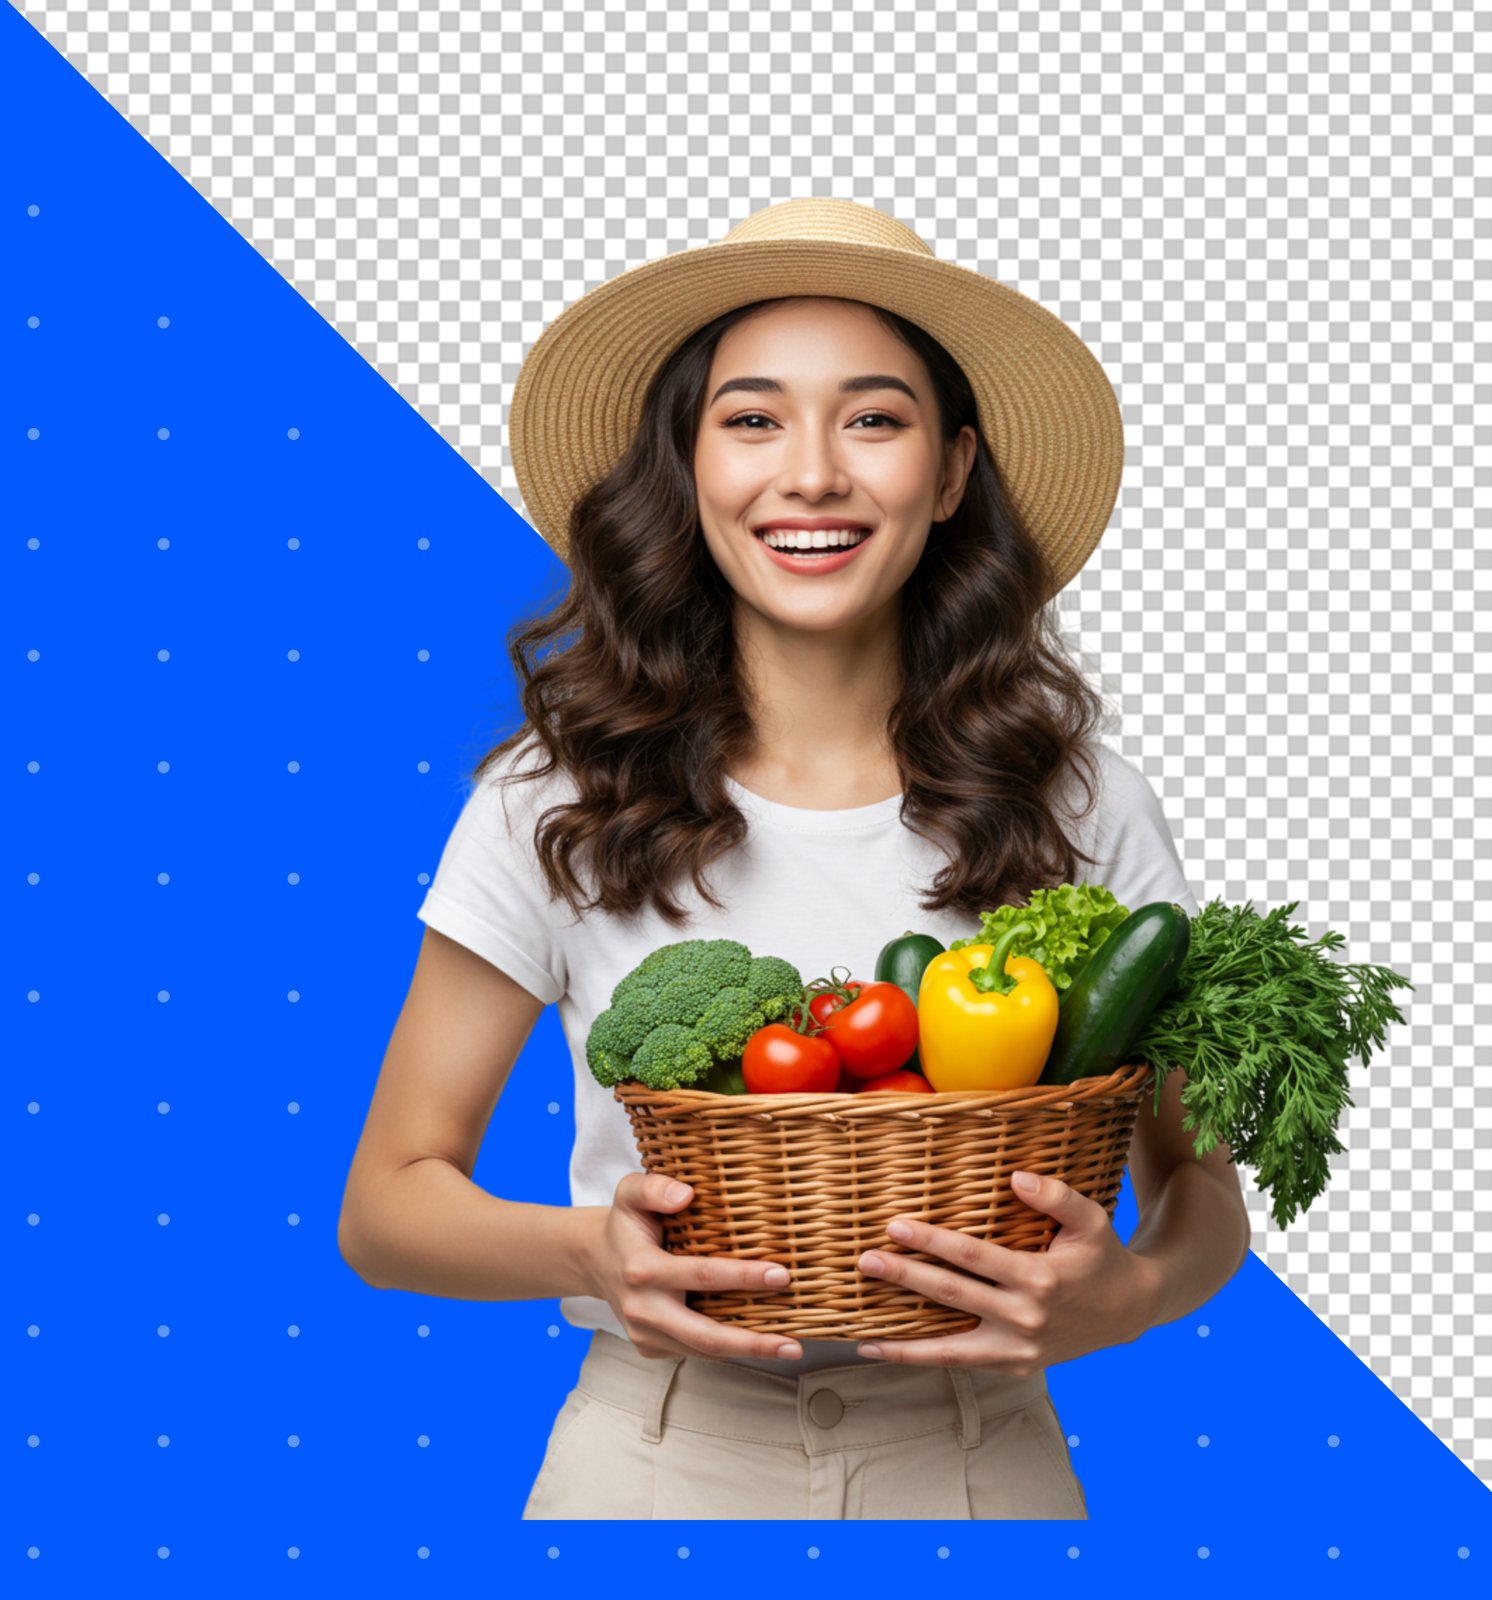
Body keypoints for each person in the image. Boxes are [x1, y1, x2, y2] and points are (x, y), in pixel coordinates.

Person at [337, 199, 1252, 1520]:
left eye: (873, 418)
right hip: (650, 1456)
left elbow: (1199, 1181)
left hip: (979, 1455)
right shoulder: (557, 794)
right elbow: (386, 1203)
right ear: (689, 469)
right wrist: (592, 1250)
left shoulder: (1081, 799)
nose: (812, 474)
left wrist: (1140, 1292)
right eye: (752, 418)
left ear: (948, 475)